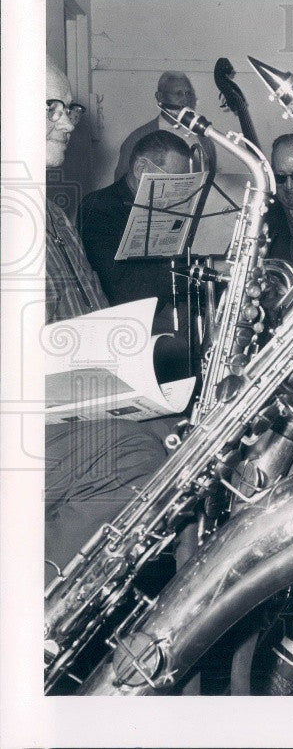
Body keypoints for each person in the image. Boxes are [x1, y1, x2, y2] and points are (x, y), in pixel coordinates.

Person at [44, 57, 170, 582]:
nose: (69, 121)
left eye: (69, 107)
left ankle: (172, 638)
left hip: (69, 401)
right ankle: (43, 612)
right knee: (138, 458)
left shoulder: (50, 212)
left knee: (195, 441)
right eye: (50, 107)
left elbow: (92, 315)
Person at [78, 130, 194, 325]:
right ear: (141, 169)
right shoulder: (98, 205)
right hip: (124, 321)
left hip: (163, 306)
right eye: (173, 180)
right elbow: (122, 289)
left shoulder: (163, 204)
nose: (177, 190)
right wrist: (195, 272)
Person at [114, 71, 216, 181]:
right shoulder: (138, 137)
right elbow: (121, 183)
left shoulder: (203, 137)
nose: (185, 100)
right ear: (160, 97)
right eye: (178, 94)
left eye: (188, 94)